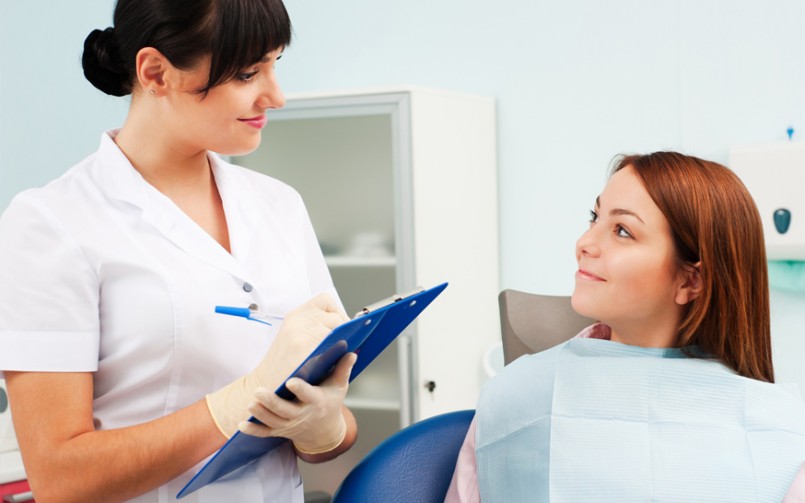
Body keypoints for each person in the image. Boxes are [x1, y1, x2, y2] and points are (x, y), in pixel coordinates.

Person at [0, 1, 359, 501]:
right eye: (248, 73)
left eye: (276, 65)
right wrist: (233, 406)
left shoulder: (280, 205)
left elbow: (334, 426)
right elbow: (59, 477)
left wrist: (323, 428)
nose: (275, 96)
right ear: (155, 72)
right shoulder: (52, 222)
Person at [445, 152, 805, 502]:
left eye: (622, 231)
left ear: (690, 282)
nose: (584, 244)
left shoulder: (785, 435)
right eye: (594, 217)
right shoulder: (514, 395)